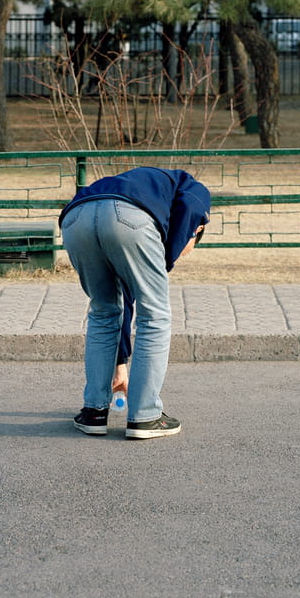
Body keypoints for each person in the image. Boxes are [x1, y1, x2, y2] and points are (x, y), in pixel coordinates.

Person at [58, 166, 210, 440]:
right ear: (197, 230)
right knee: (155, 316)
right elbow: (190, 207)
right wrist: (166, 261)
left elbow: (125, 298)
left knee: (103, 311)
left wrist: (120, 365)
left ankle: (93, 413)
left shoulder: (150, 187)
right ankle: (145, 417)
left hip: (75, 217)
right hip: (128, 216)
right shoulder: (192, 188)